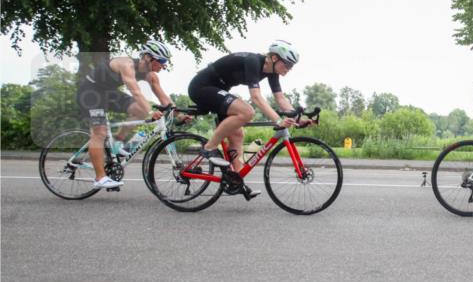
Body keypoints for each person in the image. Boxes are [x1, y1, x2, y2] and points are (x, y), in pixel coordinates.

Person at [187, 41, 310, 198]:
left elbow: (280, 98)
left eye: (291, 66)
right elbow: (256, 97)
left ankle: (236, 180)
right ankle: (209, 147)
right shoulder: (253, 61)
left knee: (238, 135)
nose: (288, 69)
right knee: (247, 112)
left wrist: (298, 118)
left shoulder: (272, 71)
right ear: (273, 58)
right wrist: (278, 121)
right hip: (201, 87)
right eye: (286, 64)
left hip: (219, 90)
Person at [76, 39, 179, 189]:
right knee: (100, 132)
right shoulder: (126, 64)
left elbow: (164, 99)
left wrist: (179, 114)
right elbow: (135, 91)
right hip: (90, 93)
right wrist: (150, 111)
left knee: (140, 110)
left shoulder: (151, 75)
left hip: (109, 93)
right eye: (162, 61)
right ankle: (100, 177)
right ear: (148, 57)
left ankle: (118, 142)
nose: (164, 65)